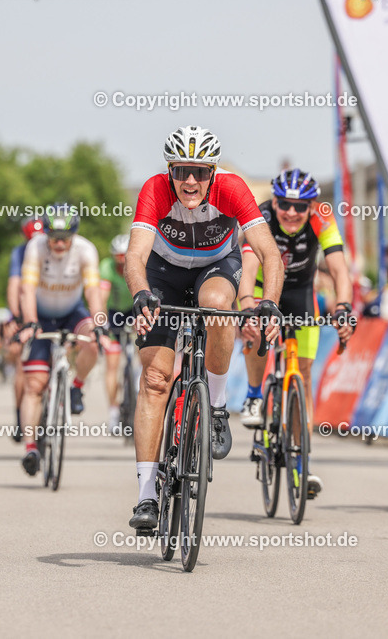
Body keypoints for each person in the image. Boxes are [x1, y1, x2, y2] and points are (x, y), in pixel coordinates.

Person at [125, 125, 284, 531]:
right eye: (181, 171)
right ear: (170, 171)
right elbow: (136, 257)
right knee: (156, 379)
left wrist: (270, 305)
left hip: (216, 267)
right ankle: (146, 495)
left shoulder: (232, 188)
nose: (190, 181)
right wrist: (142, 294)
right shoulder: (155, 190)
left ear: (212, 171)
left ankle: (214, 407)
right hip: (163, 273)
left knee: (217, 306)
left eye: (199, 171)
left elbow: (269, 253)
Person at [236, 168, 356, 499]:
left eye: (300, 206)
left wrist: (343, 307)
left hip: (301, 294)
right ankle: (253, 395)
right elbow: (246, 269)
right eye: (285, 204)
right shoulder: (260, 217)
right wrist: (247, 306)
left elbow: (339, 269)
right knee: (257, 333)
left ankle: (302, 462)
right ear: (274, 202)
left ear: (312, 206)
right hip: (261, 289)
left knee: (302, 375)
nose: (291, 212)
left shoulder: (323, 218)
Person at [15, 203, 109, 475]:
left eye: (64, 238)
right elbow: (28, 288)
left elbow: (93, 291)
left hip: (71, 312)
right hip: (41, 315)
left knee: (92, 340)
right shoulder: (35, 247)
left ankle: (76, 386)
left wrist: (100, 323)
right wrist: (30, 322)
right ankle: (31, 447)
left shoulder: (86, 250)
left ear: (73, 235)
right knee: (34, 384)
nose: (58, 243)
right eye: (53, 237)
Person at [5, 216, 44, 441]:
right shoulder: (19, 253)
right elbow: (15, 286)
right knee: (23, 366)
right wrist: (17, 317)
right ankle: (20, 415)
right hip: (25, 309)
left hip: (50, 309)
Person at [99, 233, 134, 432]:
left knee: (143, 351)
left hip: (134, 311)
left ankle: (136, 386)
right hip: (114, 314)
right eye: (118, 260)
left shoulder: (139, 263)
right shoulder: (106, 267)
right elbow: (102, 297)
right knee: (112, 365)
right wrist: (102, 323)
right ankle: (113, 410)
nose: (121, 266)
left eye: (124, 259)